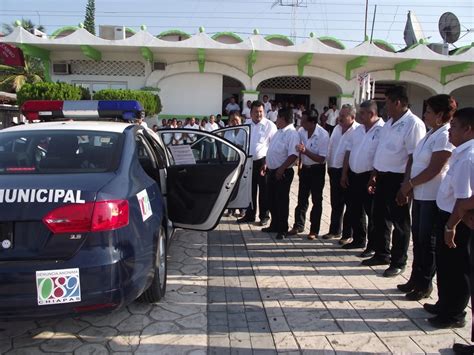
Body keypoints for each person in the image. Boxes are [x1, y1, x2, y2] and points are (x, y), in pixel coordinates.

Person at [395, 95, 456, 301]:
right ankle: (415, 278)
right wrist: (409, 186)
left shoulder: (445, 135)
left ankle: (425, 283)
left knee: (427, 241)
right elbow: (416, 161)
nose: (425, 114)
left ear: (440, 115)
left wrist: (409, 185)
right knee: (418, 240)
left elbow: (434, 169)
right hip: (420, 194)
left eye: (429, 111)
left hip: (431, 196)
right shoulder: (431, 133)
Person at [362, 86, 425, 277]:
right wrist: (374, 174)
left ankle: (399, 261)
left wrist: (406, 186)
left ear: (397, 102)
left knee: (400, 222)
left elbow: (413, 157)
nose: (385, 107)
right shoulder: (389, 123)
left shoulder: (413, 124)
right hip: (382, 176)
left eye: (387, 102)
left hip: (399, 179)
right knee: (379, 217)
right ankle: (382, 253)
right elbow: (381, 151)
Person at [420, 107, 473, 330]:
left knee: (456, 269)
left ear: (468, 130)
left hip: (457, 221)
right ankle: (445, 304)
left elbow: (464, 200)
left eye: (453, 128)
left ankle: (454, 314)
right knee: (445, 265)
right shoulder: (461, 152)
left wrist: (450, 226)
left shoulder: (468, 158)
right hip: (449, 216)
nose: (449, 132)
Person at [340, 100, 384, 256]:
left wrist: (374, 176)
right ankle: (358, 239)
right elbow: (348, 152)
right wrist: (344, 173)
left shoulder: (383, 130)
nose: (358, 116)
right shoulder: (357, 130)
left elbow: (381, 156)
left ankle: (373, 246)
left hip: (370, 177)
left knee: (372, 213)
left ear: (371, 114)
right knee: (354, 209)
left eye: (361, 113)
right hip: (354, 175)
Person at [287, 110, 329, 240]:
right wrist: (299, 162)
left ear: (312, 122)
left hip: (317, 170)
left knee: (317, 200)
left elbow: (321, 159)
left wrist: (306, 151)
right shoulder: (301, 131)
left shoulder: (323, 135)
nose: (301, 123)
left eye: (304, 121)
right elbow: (298, 148)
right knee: (301, 199)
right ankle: (298, 225)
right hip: (305, 169)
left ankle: (314, 230)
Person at [322, 104, 359, 244]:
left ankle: (347, 233)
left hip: (347, 172)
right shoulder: (337, 129)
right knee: (335, 202)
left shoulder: (357, 131)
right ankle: (334, 229)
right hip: (333, 169)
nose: (340, 118)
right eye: (340, 115)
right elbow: (331, 148)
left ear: (352, 117)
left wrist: (344, 173)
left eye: (343, 116)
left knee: (348, 203)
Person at [262, 108, 300, 240]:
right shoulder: (279, 132)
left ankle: (283, 228)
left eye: (278, 117)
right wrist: (266, 164)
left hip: (282, 173)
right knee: (271, 199)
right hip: (272, 171)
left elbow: (293, 155)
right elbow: (272, 150)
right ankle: (275, 224)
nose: (276, 120)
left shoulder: (292, 134)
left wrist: (281, 169)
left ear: (283, 118)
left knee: (281, 201)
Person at [237, 101, 277, 226]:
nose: (258, 114)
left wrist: (267, 162)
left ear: (264, 112)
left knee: (264, 190)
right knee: (250, 190)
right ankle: (250, 215)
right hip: (248, 162)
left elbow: (273, 146)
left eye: (261, 111)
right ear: (251, 113)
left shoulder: (269, 125)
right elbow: (239, 142)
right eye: (256, 111)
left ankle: (264, 216)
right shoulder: (246, 124)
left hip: (263, 162)